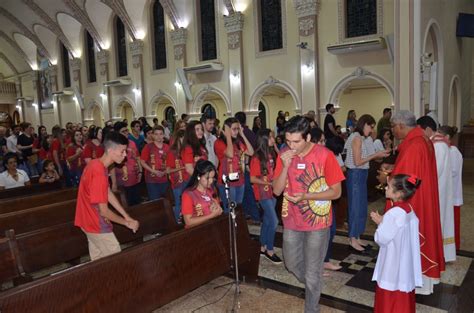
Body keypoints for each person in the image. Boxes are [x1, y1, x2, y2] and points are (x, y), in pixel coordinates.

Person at [272, 116, 345, 313]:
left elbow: (336, 192)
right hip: (292, 220)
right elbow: (276, 191)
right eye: (287, 141)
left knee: (312, 273)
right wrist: (286, 166)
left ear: (308, 137)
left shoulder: (325, 155)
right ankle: (315, 283)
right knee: (291, 264)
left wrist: (306, 196)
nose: (291, 146)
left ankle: (312, 308)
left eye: (296, 141)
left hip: (318, 222)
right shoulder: (284, 154)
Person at [377, 110, 444, 295]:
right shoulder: (421, 139)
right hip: (424, 197)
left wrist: (386, 177)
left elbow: (406, 179)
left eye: (393, 127)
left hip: (415, 203)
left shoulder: (414, 145)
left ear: (400, 125)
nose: (393, 131)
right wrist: (393, 168)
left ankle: (413, 280)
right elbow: (411, 170)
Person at [74, 132, 139, 261]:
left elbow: (107, 192)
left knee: (98, 262)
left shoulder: (96, 164)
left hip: (86, 221)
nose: (125, 155)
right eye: (122, 151)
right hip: (95, 222)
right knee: (114, 262)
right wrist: (127, 223)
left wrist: (127, 216)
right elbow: (104, 211)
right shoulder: (98, 172)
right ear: (110, 150)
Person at [370, 174, 423, 313]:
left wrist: (379, 224)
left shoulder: (393, 213)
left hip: (392, 262)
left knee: (390, 289)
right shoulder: (408, 209)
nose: (386, 188)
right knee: (402, 289)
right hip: (404, 261)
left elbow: (381, 238)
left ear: (399, 193)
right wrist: (383, 221)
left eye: (389, 186)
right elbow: (398, 230)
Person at [344, 115, 389, 251]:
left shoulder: (362, 138)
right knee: (355, 208)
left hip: (361, 174)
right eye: (370, 127)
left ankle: (357, 236)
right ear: (364, 125)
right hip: (355, 174)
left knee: (362, 207)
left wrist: (379, 154)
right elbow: (358, 161)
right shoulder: (356, 138)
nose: (371, 130)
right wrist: (376, 155)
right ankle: (352, 238)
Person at [417, 116, 455, 262]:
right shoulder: (436, 143)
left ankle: (438, 253)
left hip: (438, 191)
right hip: (439, 189)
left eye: (419, 130)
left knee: (439, 220)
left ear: (427, 129)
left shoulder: (438, 146)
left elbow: (434, 171)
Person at [250, 129, 282, 264]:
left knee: (268, 221)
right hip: (263, 192)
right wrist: (267, 182)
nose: (273, 140)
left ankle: (262, 247)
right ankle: (270, 249)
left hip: (272, 191)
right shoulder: (257, 157)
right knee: (274, 221)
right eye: (271, 138)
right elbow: (252, 178)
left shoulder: (271, 154)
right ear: (264, 139)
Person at [214, 117, 254, 212]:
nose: (236, 131)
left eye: (237, 129)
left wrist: (243, 135)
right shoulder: (219, 142)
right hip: (227, 182)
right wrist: (228, 136)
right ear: (227, 130)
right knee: (230, 210)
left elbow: (251, 152)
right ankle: (230, 227)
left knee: (238, 209)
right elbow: (230, 154)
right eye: (234, 129)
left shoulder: (238, 142)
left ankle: (236, 227)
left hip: (239, 180)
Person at [438, 125, 463, 251]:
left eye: (439, 136)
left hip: (452, 196)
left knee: (451, 224)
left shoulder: (453, 152)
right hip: (447, 193)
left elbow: (452, 172)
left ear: (447, 137)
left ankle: (452, 249)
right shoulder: (447, 150)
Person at [181, 160, 223, 228]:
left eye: (212, 178)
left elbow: (219, 210)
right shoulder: (188, 194)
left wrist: (217, 209)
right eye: (208, 178)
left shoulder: (211, 190)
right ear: (198, 177)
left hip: (211, 227)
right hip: (196, 232)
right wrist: (211, 215)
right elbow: (188, 222)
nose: (211, 181)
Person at [111, 122, 143, 207]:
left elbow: (137, 157)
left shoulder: (131, 143)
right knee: (126, 206)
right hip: (122, 182)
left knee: (137, 205)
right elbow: (111, 166)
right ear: (117, 133)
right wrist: (114, 183)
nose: (126, 133)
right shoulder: (113, 146)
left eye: (127, 130)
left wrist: (140, 171)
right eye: (123, 131)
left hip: (135, 179)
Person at [235, 111, 259, 223]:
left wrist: (248, 164)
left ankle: (253, 215)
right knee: (246, 192)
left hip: (246, 166)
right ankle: (249, 214)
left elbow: (251, 151)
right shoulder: (250, 132)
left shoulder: (243, 134)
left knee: (248, 192)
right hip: (246, 165)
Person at [140, 126, 170, 201]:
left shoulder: (167, 147)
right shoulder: (148, 147)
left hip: (164, 179)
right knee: (155, 202)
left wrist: (166, 171)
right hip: (152, 180)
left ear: (164, 135)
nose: (158, 136)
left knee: (166, 202)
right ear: (152, 135)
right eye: (156, 134)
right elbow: (142, 162)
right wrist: (154, 171)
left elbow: (170, 162)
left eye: (160, 134)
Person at [166, 129, 190, 223]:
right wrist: (182, 168)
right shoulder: (172, 152)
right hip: (177, 181)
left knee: (186, 201)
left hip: (187, 179)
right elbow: (168, 170)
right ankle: (177, 221)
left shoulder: (186, 150)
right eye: (184, 138)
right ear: (179, 138)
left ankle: (185, 219)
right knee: (178, 202)